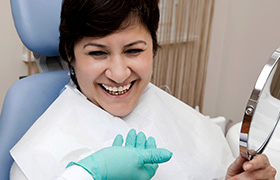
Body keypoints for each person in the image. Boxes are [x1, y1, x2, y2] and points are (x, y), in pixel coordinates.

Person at [9, 0, 276, 179]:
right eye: (98, 53)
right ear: (70, 53)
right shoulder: (35, 160)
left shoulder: (167, 106)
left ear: (153, 45)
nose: (119, 73)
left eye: (134, 50)